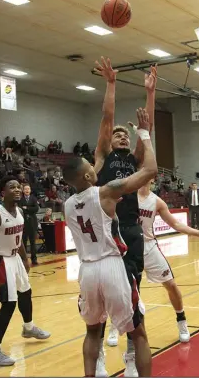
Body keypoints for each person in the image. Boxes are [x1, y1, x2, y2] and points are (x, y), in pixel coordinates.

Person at [63, 109, 157, 377]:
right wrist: (144, 135)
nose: (94, 166)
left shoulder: (67, 205)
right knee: (138, 333)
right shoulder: (106, 192)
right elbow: (150, 170)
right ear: (89, 176)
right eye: (90, 166)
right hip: (113, 265)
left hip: (86, 271)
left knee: (92, 333)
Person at [93, 56, 157, 376]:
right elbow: (107, 118)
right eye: (118, 135)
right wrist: (111, 84)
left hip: (130, 230)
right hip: (106, 230)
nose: (122, 136)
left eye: (125, 135)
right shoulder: (103, 157)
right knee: (102, 293)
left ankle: (132, 353)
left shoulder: (133, 161)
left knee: (134, 291)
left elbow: (148, 128)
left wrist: (150, 92)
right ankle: (100, 351)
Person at [108, 179, 199, 353]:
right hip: (129, 246)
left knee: (171, 285)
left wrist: (197, 233)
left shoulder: (157, 201)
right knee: (123, 290)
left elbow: (175, 223)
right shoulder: (128, 196)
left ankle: (181, 320)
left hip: (149, 246)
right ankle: (115, 326)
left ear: (152, 178)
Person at [0, 176, 51, 367]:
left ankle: (28, 327)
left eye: (19, 186)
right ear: (2, 192)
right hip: (1, 260)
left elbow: (18, 236)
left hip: (15, 257)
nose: (18, 189)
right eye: (12, 187)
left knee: (26, 293)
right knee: (8, 304)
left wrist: (24, 258)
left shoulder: (19, 212)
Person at [19, 184, 39, 265]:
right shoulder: (20, 199)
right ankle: (23, 259)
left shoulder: (33, 198)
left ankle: (34, 259)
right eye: (25, 189)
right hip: (23, 224)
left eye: (28, 189)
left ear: (30, 190)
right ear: (23, 191)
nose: (27, 190)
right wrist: (30, 209)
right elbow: (20, 209)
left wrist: (27, 208)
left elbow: (36, 209)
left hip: (32, 223)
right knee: (23, 242)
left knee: (33, 242)